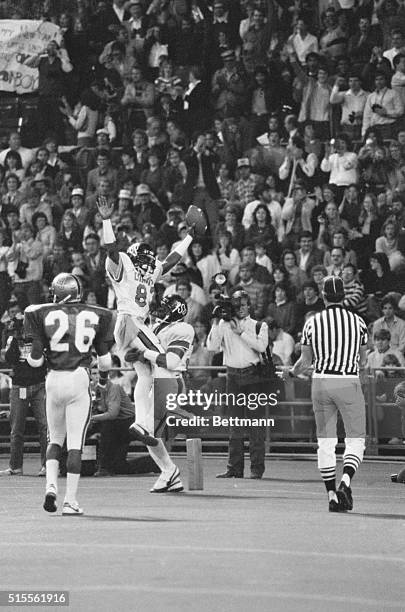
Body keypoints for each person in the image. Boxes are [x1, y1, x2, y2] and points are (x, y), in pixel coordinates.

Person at [96, 195, 201, 449]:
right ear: (133, 258)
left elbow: (171, 260)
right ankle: (150, 420)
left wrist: (189, 237)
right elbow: (111, 247)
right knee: (165, 365)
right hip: (130, 321)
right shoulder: (123, 265)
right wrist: (107, 220)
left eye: (148, 258)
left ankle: (140, 423)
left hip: (129, 327)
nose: (148, 262)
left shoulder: (147, 271)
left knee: (144, 374)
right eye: (143, 258)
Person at [24, 273, 114, 516]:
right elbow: (105, 361)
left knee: (55, 439)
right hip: (78, 378)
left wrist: (34, 351)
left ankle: (50, 486)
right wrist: (103, 382)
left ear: (57, 292)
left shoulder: (38, 312)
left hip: (53, 379)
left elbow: (34, 361)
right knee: (75, 444)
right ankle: (70, 500)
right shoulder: (99, 314)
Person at [284, 276, 368, 513]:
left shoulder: (313, 322)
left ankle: (331, 494)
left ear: (323, 296)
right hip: (348, 380)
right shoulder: (358, 322)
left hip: (321, 382)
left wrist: (290, 373)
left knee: (326, 442)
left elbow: (304, 361)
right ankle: (346, 482)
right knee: (355, 439)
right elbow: (363, 360)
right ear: (343, 295)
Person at [126, 294, 194, 492]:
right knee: (148, 435)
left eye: (166, 308)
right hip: (155, 381)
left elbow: (172, 361)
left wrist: (144, 353)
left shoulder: (183, 329)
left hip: (172, 382)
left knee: (146, 430)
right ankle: (169, 471)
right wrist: (136, 358)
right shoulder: (157, 327)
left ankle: (143, 426)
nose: (160, 310)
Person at [207, 290, 270, 479]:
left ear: (249, 305)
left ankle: (256, 469)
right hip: (232, 376)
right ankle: (234, 468)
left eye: (243, 304)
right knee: (235, 424)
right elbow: (211, 347)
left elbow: (261, 347)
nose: (240, 308)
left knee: (255, 424)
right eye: (237, 305)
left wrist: (240, 332)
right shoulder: (224, 325)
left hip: (253, 376)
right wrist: (216, 322)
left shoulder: (259, 325)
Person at [0, 316, 47, 477]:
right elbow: (8, 359)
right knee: (16, 428)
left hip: (39, 385)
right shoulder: (14, 338)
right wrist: (14, 338)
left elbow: (44, 360)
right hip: (19, 385)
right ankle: (15, 466)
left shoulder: (40, 337)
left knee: (44, 426)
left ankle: (47, 465)